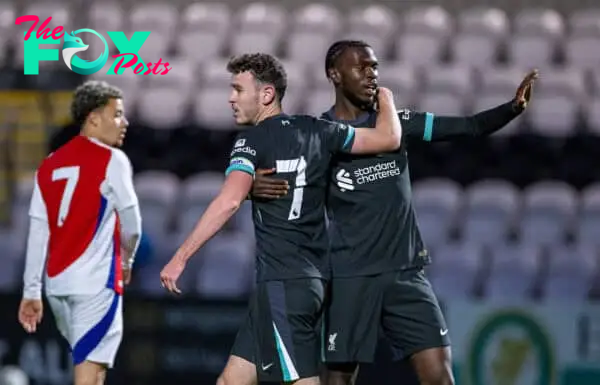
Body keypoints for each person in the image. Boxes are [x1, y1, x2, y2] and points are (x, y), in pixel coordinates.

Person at [251, 40, 539, 385]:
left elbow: (469, 127)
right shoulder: (319, 135)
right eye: (362, 67)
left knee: (440, 378)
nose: (372, 74)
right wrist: (250, 186)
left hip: (406, 273)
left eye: (375, 67)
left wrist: (512, 108)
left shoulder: (396, 122)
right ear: (334, 74)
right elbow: (280, 179)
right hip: (350, 277)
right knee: (337, 380)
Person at [159, 52, 403, 385]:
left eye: (238, 89)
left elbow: (228, 201)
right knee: (232, 380)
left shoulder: (251, 140)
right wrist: (385, 98)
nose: (231, 98)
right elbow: (389, 138)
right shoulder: (320, 130)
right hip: (308, 281)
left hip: (283, 283)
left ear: (266, 94)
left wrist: (180, 257)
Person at [18, 80, 142, 385]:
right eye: (117, 114)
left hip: (57, 286)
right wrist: (126, 262)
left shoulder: (48, 165)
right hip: (95, 283)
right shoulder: (113, 159)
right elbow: (133, 225)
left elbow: (37, 232)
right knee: (88, 374)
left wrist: (31, 292)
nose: (124, 122)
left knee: (94, 369)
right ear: (94, 118)